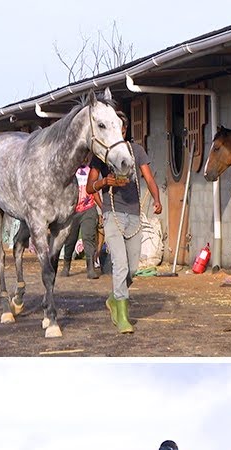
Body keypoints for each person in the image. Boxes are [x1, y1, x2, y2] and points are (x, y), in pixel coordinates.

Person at [86, 111, 162, 333]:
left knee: (133, 268)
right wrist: (105, 182)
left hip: (134, 215)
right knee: (120, 264)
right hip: (113, 214)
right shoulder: (101, 157)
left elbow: (148, 177)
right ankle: (122, 317)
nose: (119, 131)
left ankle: (113, 299)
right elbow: (90, 187)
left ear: (125, 130)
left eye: (122, 128)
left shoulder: (136, 151)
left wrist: (157, 199)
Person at [63, 163, 102, 278]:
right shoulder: (69, 170)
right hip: (72, 211)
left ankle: (90, 268)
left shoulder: (92, 171)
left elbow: (94, 190)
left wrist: (102, 207)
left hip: (88, 209)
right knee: (70, 239)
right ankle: (66, 265)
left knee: (88, 238)